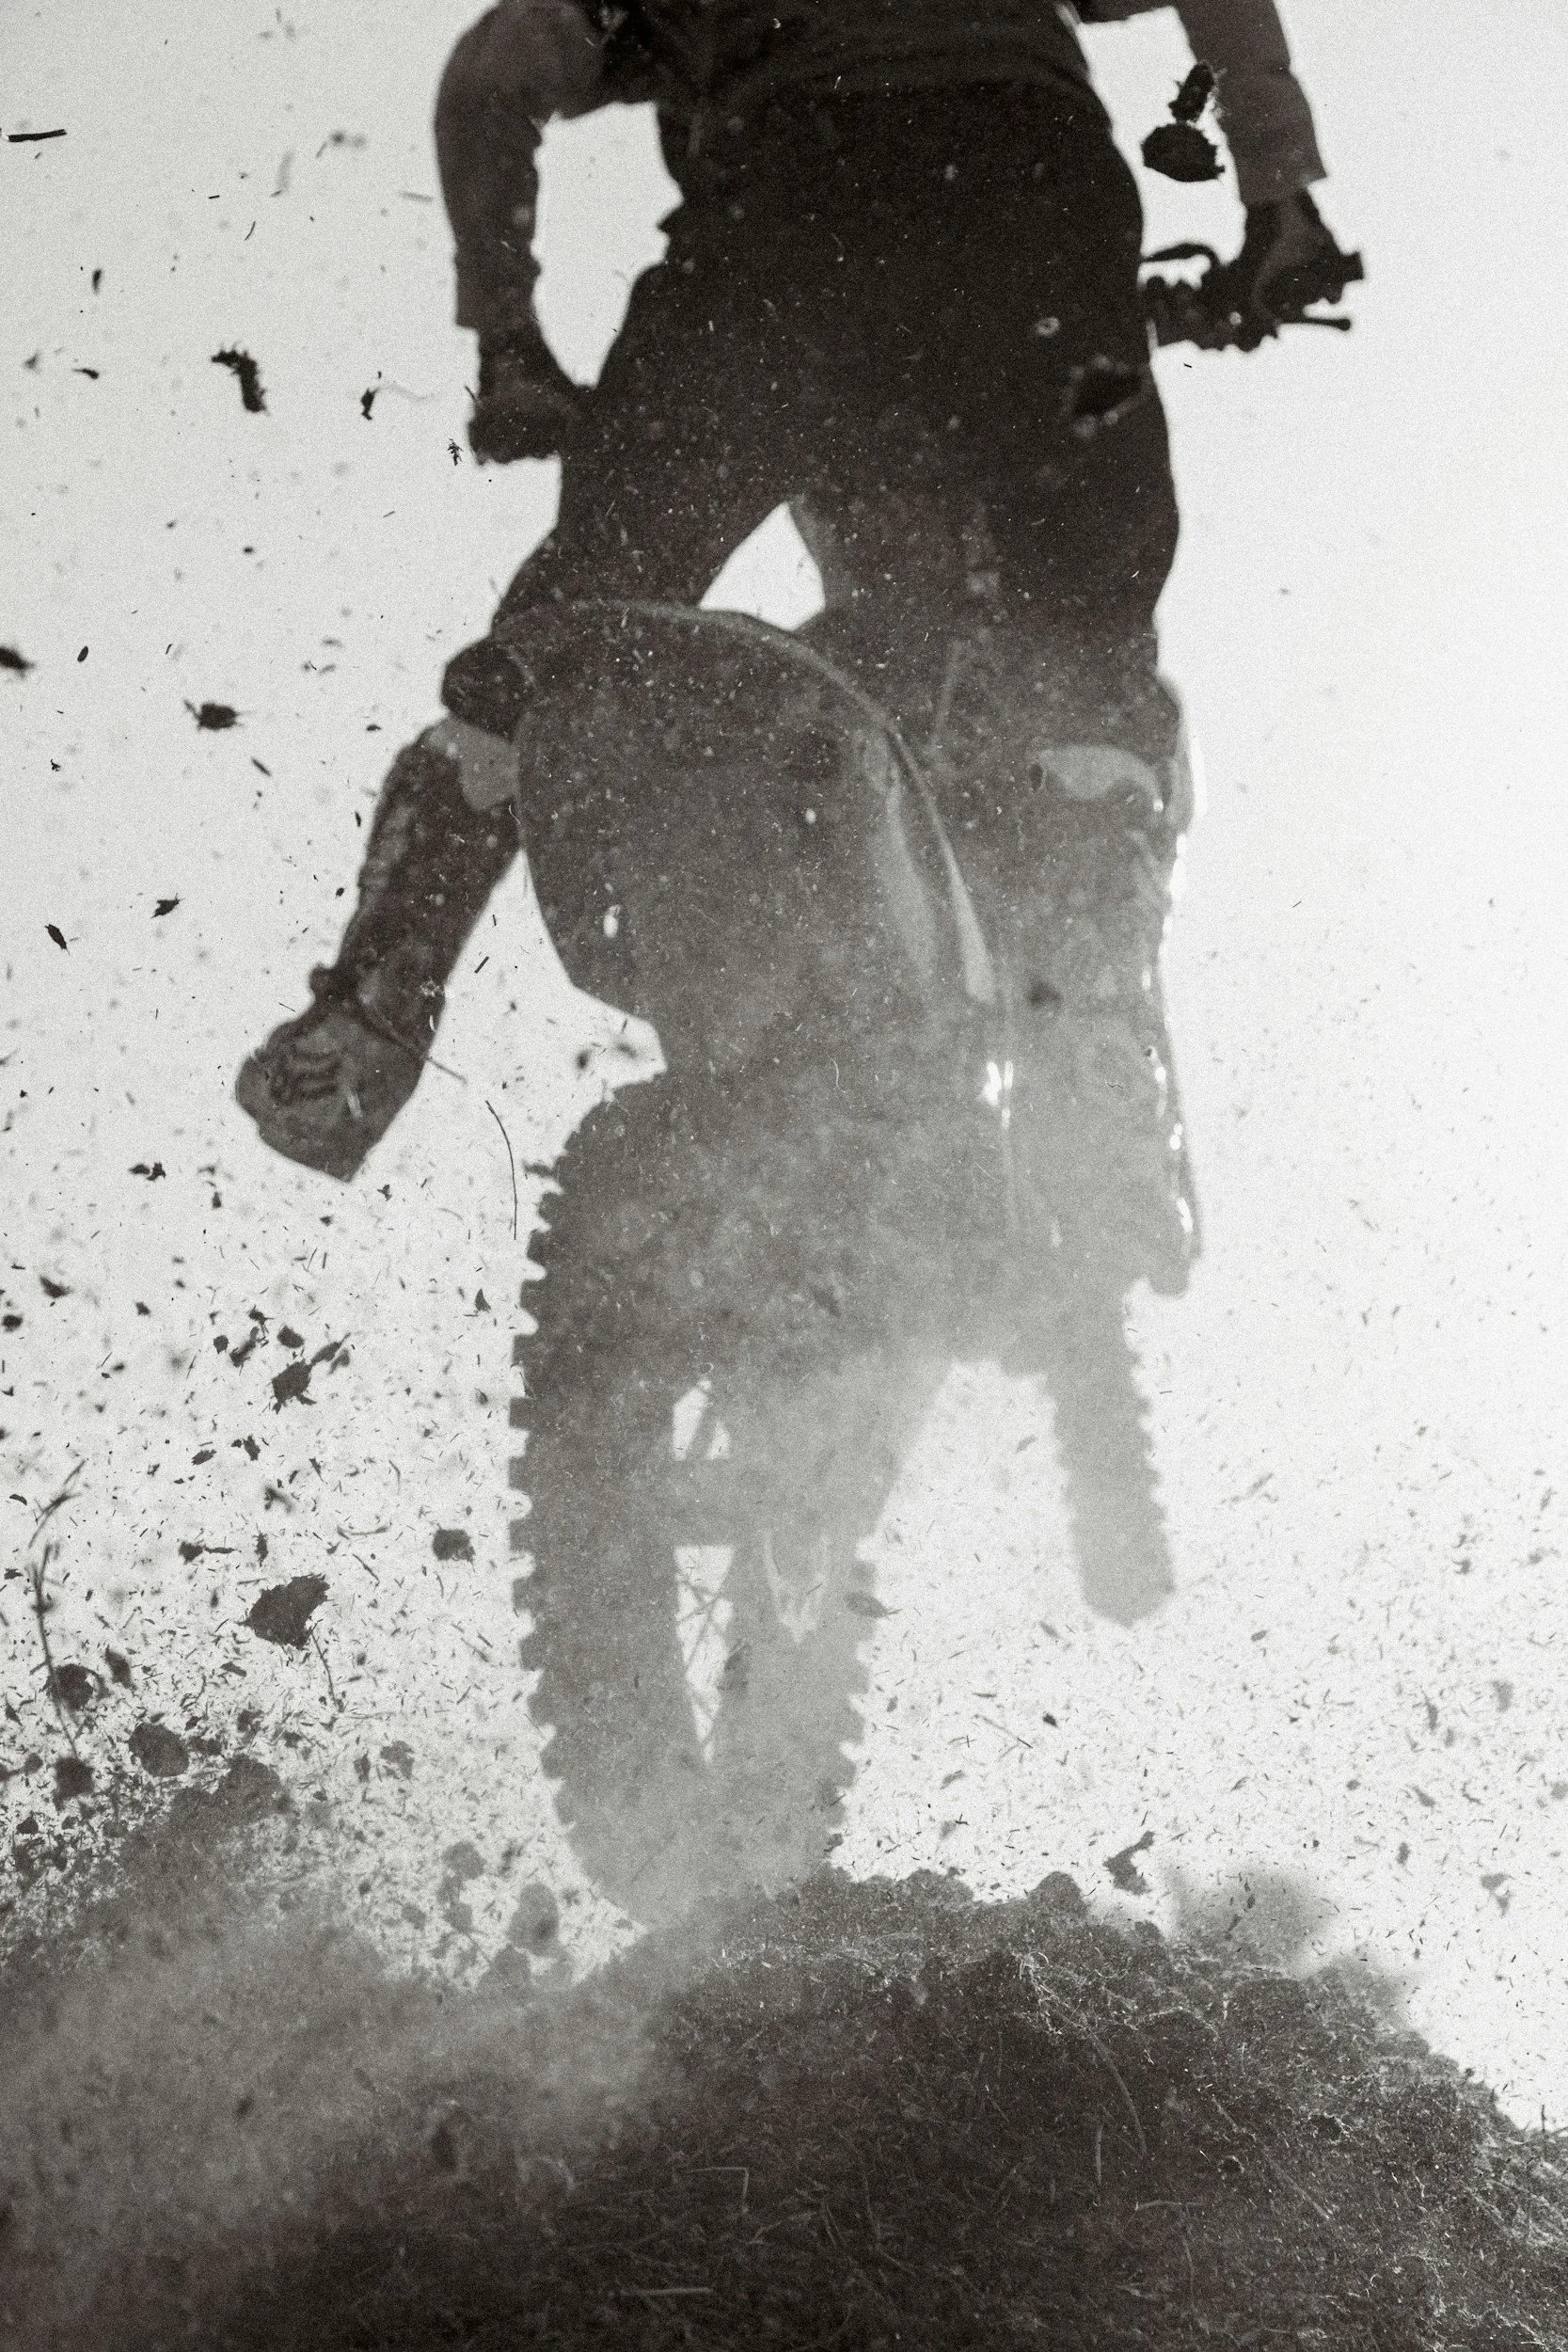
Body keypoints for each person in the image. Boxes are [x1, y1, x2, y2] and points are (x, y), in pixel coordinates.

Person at [235, 0, 1351, 1180]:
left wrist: (506, 338)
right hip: (1027, 209)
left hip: (783, 235)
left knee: (565, 628)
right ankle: (1094, 1047)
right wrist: (1277, 198)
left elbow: (490, 76)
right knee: (1081, 637)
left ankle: (369, 1012)